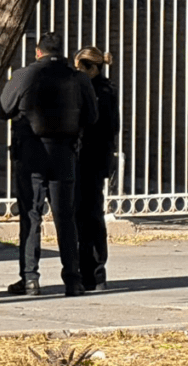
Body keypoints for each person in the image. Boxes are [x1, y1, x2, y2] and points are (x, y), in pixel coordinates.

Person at [0, 32, 98, 297]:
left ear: (37, 52)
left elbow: (2, 110)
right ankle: (73, 280)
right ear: (63, 53)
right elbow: (92, 116)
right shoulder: (78, 78)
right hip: (64, 153)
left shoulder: (23, 75)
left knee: (31, 215)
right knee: (66, 218)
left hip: (30, 153)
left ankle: (30, 279)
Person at [74, 46, 120, 292]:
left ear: (91, 68)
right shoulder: (109, 89)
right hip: (99, 159)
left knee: (83, 217)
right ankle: (97, 273)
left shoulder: (90, 90)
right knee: (93, 215)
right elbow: (114, 128)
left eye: (79, 67)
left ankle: (88, 271)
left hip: (84, 158)